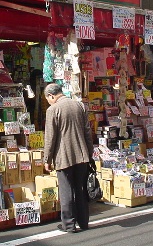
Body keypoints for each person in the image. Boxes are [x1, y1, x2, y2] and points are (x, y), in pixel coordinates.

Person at [43, 83, 94, 233]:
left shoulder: (53, 110)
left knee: (66, 191)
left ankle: (69, 225)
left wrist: (47, 159)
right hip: (82, 155)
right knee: (80, 189)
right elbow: (87, 132)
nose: (49, 101)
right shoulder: (79, 106)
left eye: (48, 99)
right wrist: (89, 154)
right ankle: (84, 222)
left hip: (64, 156)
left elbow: (50, 138)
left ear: (51, 96)